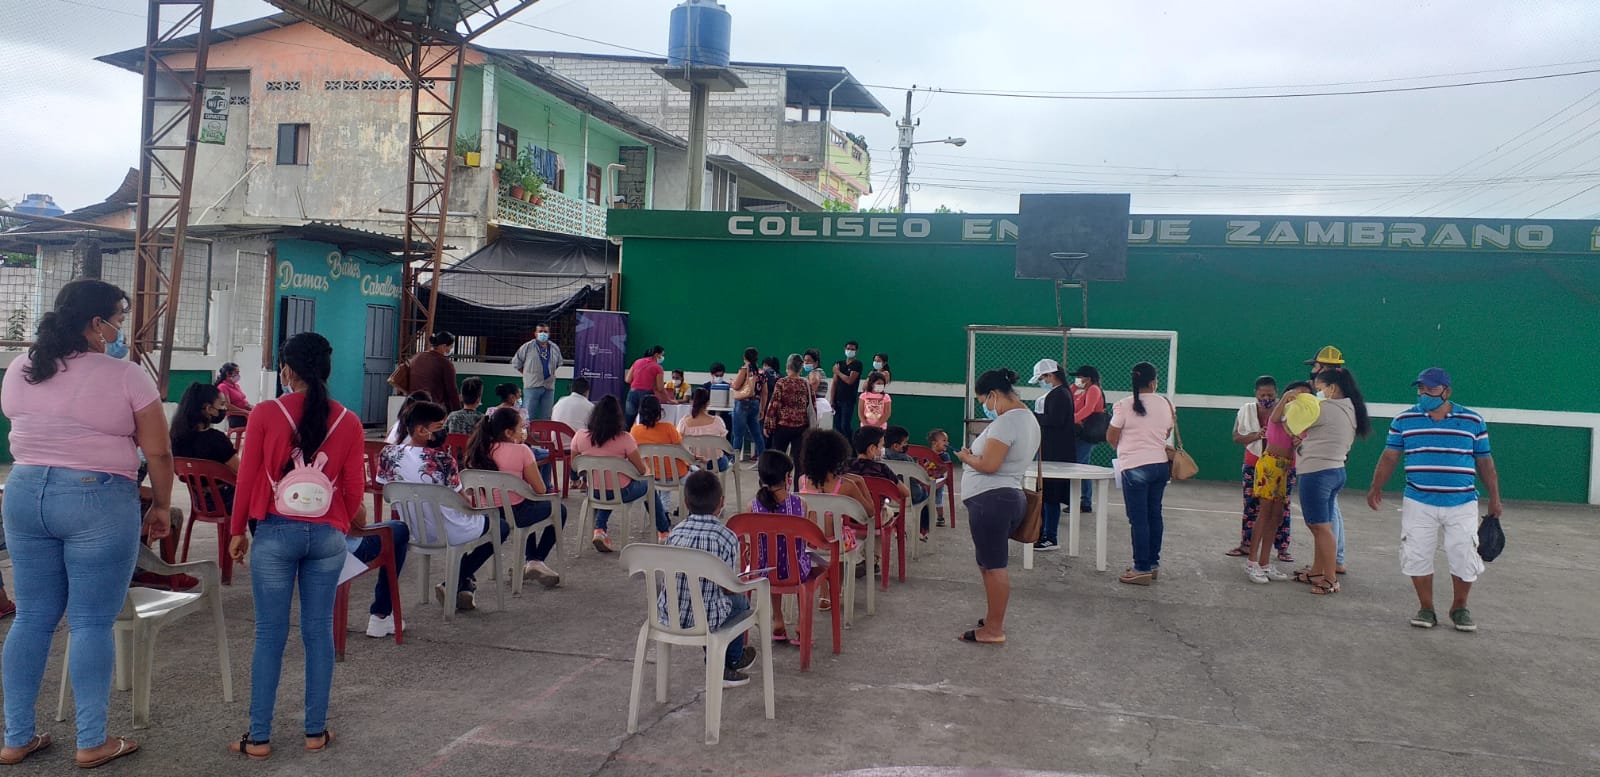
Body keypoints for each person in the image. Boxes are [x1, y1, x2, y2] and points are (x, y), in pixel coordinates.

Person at [0, 279, 170, 768]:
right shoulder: (126, 376)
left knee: (32, 617)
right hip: (96, 497)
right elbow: (158, 451)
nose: (120, 329)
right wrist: (161, 505)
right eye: (118, 318)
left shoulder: (22, 366)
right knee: (92, 621)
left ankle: (16, 737)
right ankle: (91, 740)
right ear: (97, 324)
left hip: (24, 492)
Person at [226, 331, 366, 759]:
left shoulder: (265, 413)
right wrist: (336, 521)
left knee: (269, 634)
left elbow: (247, 477)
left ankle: (259, 737)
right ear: (326, 369)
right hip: (327, 537)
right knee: (318, 632)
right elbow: (355, 489)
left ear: (287, 371)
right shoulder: (349, 421)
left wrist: (237, 530)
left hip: (275, 531)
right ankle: (314, 732)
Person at [1367, 368, 1501, 632]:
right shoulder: (1404, 420)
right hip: (1418, 501)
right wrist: (1376, 486)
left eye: (1430, 388)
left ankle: (1460, 607)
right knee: (1416, 554)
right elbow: (1390, 456)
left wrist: (1495, 498)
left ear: (1446, 391)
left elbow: (1485, 462)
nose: (1423, 393)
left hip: (1462, 503)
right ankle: (1426, 608)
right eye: (1420, 388)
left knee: (1464, 555)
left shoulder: (1473, 420)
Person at [377, 400, 498, 610]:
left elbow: (387, 491)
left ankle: (464, 584)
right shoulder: (443, 460)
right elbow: (464, 503)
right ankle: (455, 580)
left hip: (411, 528)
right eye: (440, 427)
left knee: (473, 524)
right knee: (499, 526)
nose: (444, 432)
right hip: (447, 529)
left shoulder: (388, 454)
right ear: (421, 430)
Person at [955, 368, 1040, 644]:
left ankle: (994, 629)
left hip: (992, 500)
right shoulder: (1028, 418)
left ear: (993, 395)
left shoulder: (1007, 422)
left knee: (994, 566)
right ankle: (993, 617)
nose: (985, 407)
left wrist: (966, 458)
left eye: (983, 401)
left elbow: (990, 465)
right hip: (1005, 497)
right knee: (988, 563)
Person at [660, 472, 757, 687]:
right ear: (721, 503)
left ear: (686, 502)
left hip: (670, 614)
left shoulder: (675, 533)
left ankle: (725, 661)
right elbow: (727, 587)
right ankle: (730, 661)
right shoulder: (726, 537)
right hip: (705, 618)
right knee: (740, 602)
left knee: (706, 601)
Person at [462, 407, 567, 588]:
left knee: (528, 502)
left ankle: (532, 560)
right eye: (521, 427)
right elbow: (541, 489)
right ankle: (536, 559)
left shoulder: (477, 450)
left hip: (486, 514)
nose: (523, 431)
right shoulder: (522, 451)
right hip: (515, 513)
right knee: (559, 509)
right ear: (508, 432)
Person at [1292, 366, 1371, 595]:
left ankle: (1329, 579)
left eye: (1319, 388)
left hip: (1317, 473)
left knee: (1319, 527)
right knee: (1321, 526)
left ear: (1332, 388)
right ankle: (1317, 571)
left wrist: (1292, 400)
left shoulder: (1324, 409)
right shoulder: (1351, 408)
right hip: (1334, 471)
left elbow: (1291, 423)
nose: (1316, 393)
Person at [570, 395, 671, 552]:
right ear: (618, 416)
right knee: (647, 485)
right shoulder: (625, 438)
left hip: (593, 491)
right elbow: (641, 470)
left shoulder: (580, 436)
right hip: (621, 491)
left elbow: (574, 465)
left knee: (607, 487)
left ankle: (600, 530)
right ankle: (664, 531)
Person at [1108, 362, 1174, 586]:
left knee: (1138, 519)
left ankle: (1141, 568)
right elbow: (1167, 432)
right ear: (1154, 382)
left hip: (1134, 466)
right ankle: (1152, 564)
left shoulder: (1123, 405)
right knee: (1154, 514)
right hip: (1160, 465)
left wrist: (1126, 447)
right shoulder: (1166, 403)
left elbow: (1111, 435)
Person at [748, 449, 817, 641]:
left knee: (771, 559)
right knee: (800, 558)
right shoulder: (800, 504)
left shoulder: (752, 506)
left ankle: (778, 619)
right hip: (796, 572)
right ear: (787, 477)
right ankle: (801, 623)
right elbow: (809, 540)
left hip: (764, 572)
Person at [1244, 380, 1307, 584]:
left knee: (1277, 516)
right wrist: (1287, 397)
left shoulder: (1303, 419)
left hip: (1287, 467)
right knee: (1265, 512)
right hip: (1270, 464)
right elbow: (1276, 417)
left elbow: (1302, 440)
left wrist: (1301, 440)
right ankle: (1252, 562)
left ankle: (1264, 562)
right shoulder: (1281, 412)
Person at [797, 429, 874, 587]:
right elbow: (869, 513)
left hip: (808, 541)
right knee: (845, 535)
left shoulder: (802, 481)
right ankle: (834, 590)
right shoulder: (847, 485)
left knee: (826, 534)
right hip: (835, 544)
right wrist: (861, 483)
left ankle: (825, 590)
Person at [1229, 376, 1293, 562]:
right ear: (1255, 394)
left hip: (1281, 465)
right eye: (1262, 395)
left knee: (1281, 508)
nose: (1266, 398)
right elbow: (1236, 437)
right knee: (1251, 505)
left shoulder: (1286, 411)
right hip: (1253, 463)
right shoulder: (1246, 411)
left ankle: (1282, 548)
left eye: (1270, 395)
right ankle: (1246, 544)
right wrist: (1256, 436)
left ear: (1277, 393)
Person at [170, 382, 239, 516]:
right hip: (227, 501)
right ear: (209, 409)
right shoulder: (217, 440)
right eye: (222, 404)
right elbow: (241, 471)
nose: (225, 408)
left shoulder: (175, 438)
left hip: (200, 502)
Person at [1030, 359, 1075, 551]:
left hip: (1056, 454)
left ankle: (1050, 536)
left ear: (1050, 375)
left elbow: (1055, 420)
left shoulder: (1060, 395)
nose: (1042, 382)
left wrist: (1033, 416)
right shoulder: (1060, 393)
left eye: (1042, 378)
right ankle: (1042, 533)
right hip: (1052, 451)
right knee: (1046, 495)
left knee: (1051, 497)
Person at [763, 354, 814, 476]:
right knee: (799, 463)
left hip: (783, 426)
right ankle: (798, 485)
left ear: (788, 366)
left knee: (778, 460)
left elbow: (774, 405)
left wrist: (768, 425)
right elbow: (812, 404)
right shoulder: (806, 383)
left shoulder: (782, 382)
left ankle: (779, 483)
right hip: (801, 427)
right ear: (801, 368)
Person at [883, 426, 931, 537]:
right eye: (905, 443)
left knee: (896, 502)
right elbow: (919, 478)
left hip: (889, 497)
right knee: (925, 495)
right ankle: (923, 529)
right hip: (912, 496)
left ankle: (897, 528)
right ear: (896, 446)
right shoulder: (907, 459)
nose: (906, 445)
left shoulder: (882, 458)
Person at [1070, 365, 1106, 514]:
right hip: (1080, 432)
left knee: (1080, 465)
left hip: (1087, 432)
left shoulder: (1093, 390)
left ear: (1088, 378)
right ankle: (1084, 500)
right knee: (1082, 464)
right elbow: (1070, 399)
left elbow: (1088, 409)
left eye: (1080, 377)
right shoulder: (1082, 391)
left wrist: (1071, 420)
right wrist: (1073, 387)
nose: (1077, 379)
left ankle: (1084, 500)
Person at [511, 323, 562, 420]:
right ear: (535, 333)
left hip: (549, 387)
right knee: (528, 416)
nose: (543, 334)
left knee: (546, 417)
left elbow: (558, 363)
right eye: (540, 331)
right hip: (532, 386)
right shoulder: (527, 347)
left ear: (549, 334)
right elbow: (516, 363)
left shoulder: (554, 348)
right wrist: (527, 374)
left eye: (545, 332)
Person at [631, 395, 688, 480]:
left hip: (654, 476)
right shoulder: (669, 428)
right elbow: (683, 453)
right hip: (678, 474)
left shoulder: (635, 431)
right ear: (659, 411)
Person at [679, 387, 732, 472]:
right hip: (716, 463)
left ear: (691, 402)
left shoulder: (684, 422)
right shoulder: (717, 421)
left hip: (693, 463)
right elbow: (724, 444)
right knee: (726, 458)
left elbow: (679, 443)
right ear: (708, 403)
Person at [407, 331, 461, 412]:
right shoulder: (445, 363)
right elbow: (452, 390)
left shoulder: (417, 357)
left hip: (412, 406)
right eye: (451, 347)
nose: (451, 350)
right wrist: (458, 411)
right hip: (432, 408)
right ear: (444, 346)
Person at [729, 348, 767, 462]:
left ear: (744, 357)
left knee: (738, 434)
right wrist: (762, 408)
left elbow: (736, 386)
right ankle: (763, 459)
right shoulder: (761, 372)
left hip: (742, 402)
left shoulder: (744, 369)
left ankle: (735, 461)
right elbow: (764, 392)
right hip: (755, 403)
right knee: (756, 434)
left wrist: (731, 383)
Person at [624, 345, 667, 427]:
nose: (662, 357)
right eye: (662, 355)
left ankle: (625, 434)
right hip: (647, 395)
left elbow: (628, 379)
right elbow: (660, 388)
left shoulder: (637, 362)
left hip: (632, 392)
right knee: (644, 421)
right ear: (656, 355)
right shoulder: (657, 367)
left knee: (628, 419)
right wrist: (669, 399)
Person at [830, 341, 864, 439]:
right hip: (837, 399)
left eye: (852, 349)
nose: (850, 351)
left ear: (856, 351)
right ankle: (839, 445)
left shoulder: (857, 364)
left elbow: (850, 380)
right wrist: (832, 400)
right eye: (848, 348)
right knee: (837, 425)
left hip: (848, 400)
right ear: (844, 349)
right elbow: (834, 382)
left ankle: (849, 445)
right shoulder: (839, 364)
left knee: (845, 425)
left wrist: (838, 372)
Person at [925, 429, 954, 527]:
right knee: (926, 499)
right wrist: (927, 464)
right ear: (934, 443)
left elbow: (946, 467)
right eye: (944, 440)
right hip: (927, 480)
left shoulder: (945, 455)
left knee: (938, 499)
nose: (947, 443)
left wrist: (938, 474)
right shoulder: (927, 454)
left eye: (947, 440)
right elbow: (922, 465)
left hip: (939, 480)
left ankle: (940, 517)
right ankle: (926, 518)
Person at [216, 361, 253, 430]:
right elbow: (227, 405)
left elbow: (243, 401)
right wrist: (244, 411)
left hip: (246, 413)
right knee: (261, 421)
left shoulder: (236, 386)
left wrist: (252, 407)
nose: (238, 375)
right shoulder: (223, 387)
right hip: (237, 417)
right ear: (228, 373)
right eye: (236, 373)